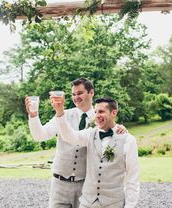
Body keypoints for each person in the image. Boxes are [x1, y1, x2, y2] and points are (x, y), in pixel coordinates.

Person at [25, 78, 126, 208]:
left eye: (79, 93)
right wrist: (33, 116)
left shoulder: (100, 118)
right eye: (73, 94)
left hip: (86, 186)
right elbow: (40, 135)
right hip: (59, 184)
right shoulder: (63, 115)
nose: (76, 97)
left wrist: (121, 129)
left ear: (91, 93)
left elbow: (113, 131)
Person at [52, 97, 140, 208]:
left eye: (101, 111)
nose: (97, 115)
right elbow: (69, 136)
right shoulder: (90, 134)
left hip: (114, 204)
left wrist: (129, 206)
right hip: (87, 203)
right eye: (96, 112)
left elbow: (132, 179)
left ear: (114, 113)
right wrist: (60, 113)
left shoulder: (128, 140)